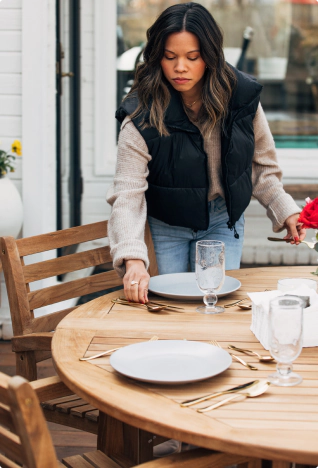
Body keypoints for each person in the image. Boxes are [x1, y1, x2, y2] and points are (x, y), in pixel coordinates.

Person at [107, 2, 306, 305]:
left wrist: (286, 210)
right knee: (170, 307)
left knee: (214, 304)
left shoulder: (241, 98)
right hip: (167, 223)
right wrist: (133, 258)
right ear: (157, 57)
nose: (180, 67)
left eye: (192, 57)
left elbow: (261, 168)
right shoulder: (141, 116)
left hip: (222, 220)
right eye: (169, 57)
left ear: (210, 57)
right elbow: (128, 193)